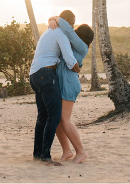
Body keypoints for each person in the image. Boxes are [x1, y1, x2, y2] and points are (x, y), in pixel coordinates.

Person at [29, 10, 80, 166]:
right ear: (66, 23)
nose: (72, 27)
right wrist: (78, 68)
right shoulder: (60, 34)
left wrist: (52, 18)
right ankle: (45, 156)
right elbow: (70, 60)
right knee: (54, 115)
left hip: (34, 75)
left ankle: (38, 154)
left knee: (43, 116)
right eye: (72, 24)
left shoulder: (49, 31)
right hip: (46, 75)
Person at [48, 14, 94, 164]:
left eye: (77, 30)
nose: (73, 30)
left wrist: (56, 18)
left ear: (81, 36)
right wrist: (52, 20)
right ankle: (67, 151)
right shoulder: (73, 45)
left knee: (64, 120)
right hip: (63, 83)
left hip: (69, 84)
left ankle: (81, 151)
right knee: (57, 120)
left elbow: (68, 31)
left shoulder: (81, 46)